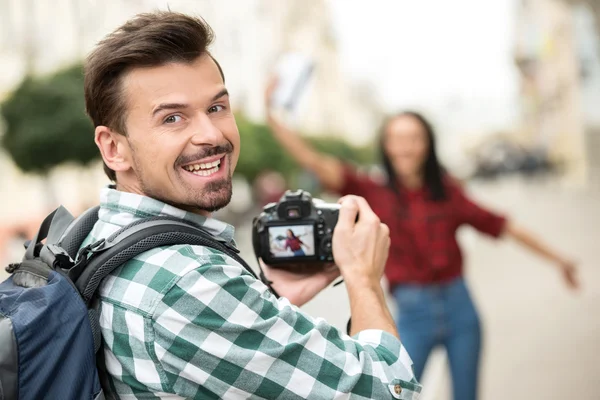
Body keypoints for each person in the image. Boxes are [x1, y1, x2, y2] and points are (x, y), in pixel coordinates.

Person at [82, 11, 421, 399]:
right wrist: (363, 279)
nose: (211, 135)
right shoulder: (189, 283)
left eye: (216, 108)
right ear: (113, 147)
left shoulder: (98, 235)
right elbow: (386, 390)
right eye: (173, 118)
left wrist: (266, 299)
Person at [265, 85, 579, 400]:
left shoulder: (448, 192)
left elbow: (504, 225)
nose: (405, 147)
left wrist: (560, 260)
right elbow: (317, 162)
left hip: (460, 308)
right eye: (396, 139)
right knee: (390, 392)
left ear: (427, 145)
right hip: (412, 313)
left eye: (414, 138)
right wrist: (274, 118)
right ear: (386, 146)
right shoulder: (372, 191)